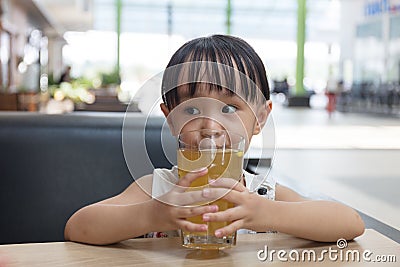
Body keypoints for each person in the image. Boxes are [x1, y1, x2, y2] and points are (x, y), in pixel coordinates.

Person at [64, 35, 364, 245]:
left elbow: (350, 222)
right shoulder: (158, 188)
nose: (210, 126)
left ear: (259, 119)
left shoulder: (261, 194)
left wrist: (267, 213)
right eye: (192, 110)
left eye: (230, 109)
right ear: (170, 119)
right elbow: (78, 227)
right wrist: (153, 215)